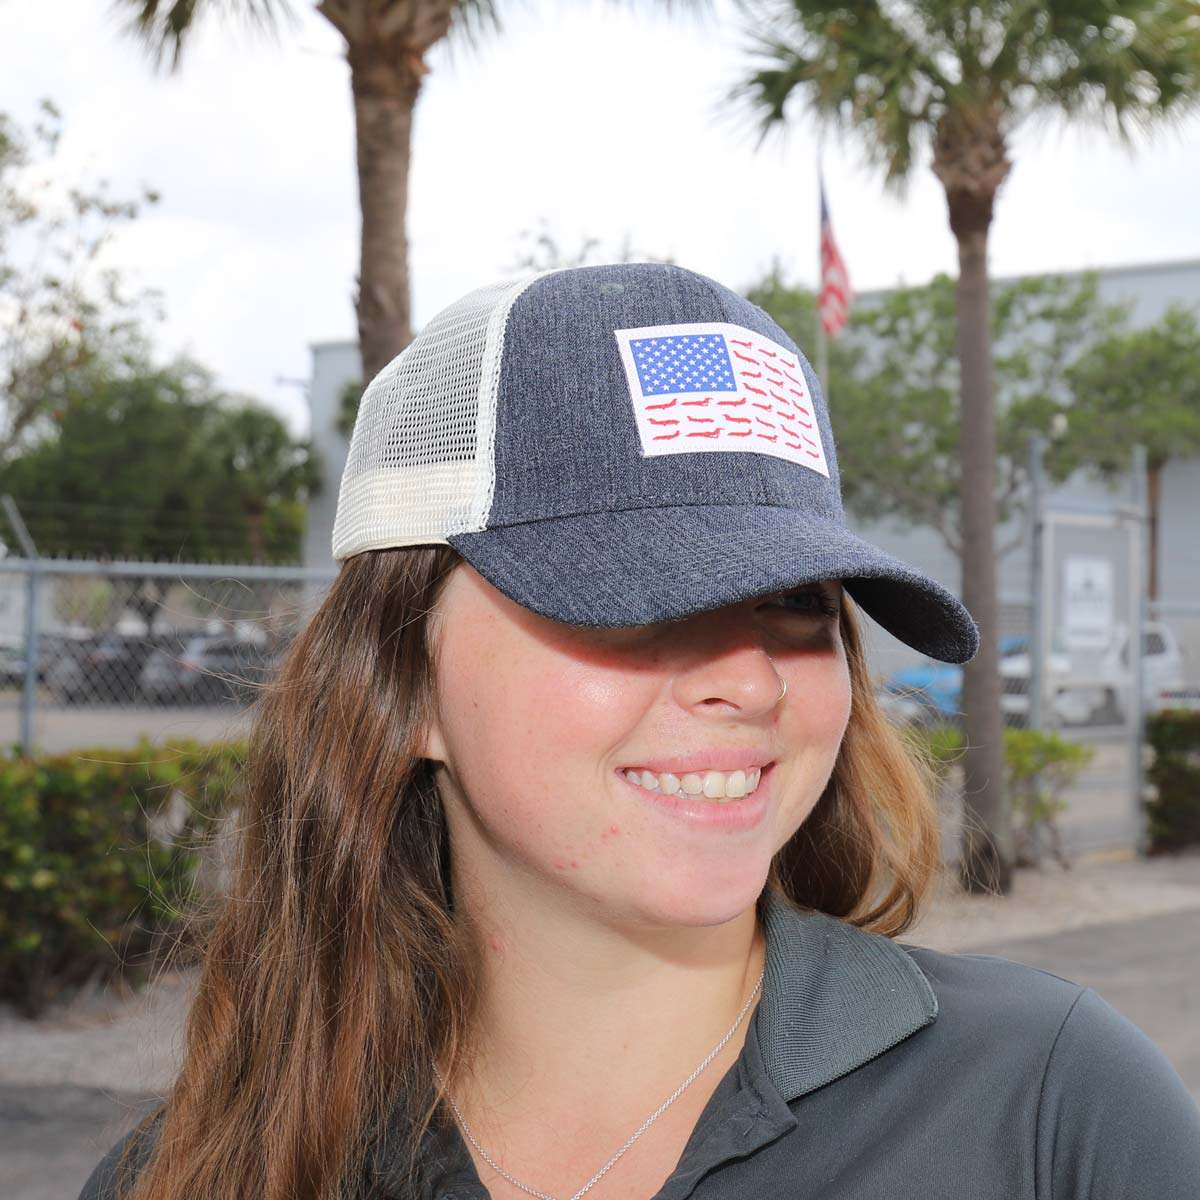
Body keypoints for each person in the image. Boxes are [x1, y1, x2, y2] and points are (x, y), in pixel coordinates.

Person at [79, 262, 1200, 1200]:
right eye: (635, 597)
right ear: (404, 681)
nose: (752, 680)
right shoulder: (203, 1169)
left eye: (799, 603)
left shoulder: (1049, 1111)